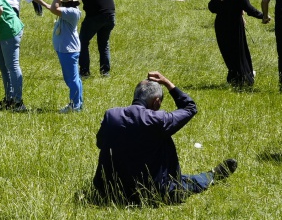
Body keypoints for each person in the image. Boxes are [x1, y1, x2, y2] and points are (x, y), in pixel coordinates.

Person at [91, 72, 237, 204]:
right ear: (157, 102)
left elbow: (100, 143)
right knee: (182, 184)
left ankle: (210, 175)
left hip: (108, 192)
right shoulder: (159, 120)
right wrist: (167, 83)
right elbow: (190, 107)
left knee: (182, 179)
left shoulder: (111, 115)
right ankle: (212, 176)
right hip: (152, 193)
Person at [208, 0, 264, 88]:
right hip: (234, 24)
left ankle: (233, 76)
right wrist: (263, 16)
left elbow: (211, 8)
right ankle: (243, 77)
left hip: (221, 23)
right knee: (239, 50)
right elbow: (249, 9)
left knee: (227, 50)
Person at [44, 0, 85, 112]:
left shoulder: (72, 12)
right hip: (66, 50)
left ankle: (75, 105)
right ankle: (78, 103)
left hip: (69, 50)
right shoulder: (68, 11)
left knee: (71, 80)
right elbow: (53, 8)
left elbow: (54, 9)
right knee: (74, 79)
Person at [73, 0, 115, 79]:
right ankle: (105, 72)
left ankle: (84, 72)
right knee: (104, 43)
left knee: (82, 42)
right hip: (111, 14)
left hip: (95, 16)